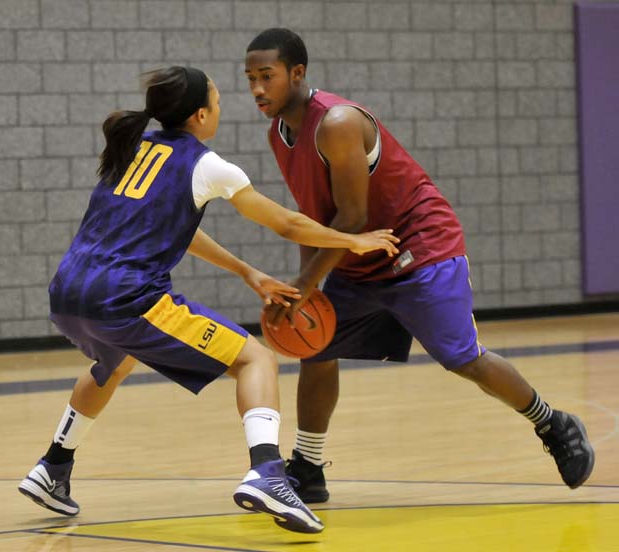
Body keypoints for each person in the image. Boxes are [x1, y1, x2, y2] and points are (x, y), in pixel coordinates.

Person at [17, 65, 401, 534]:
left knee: (114, 363)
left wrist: (247, 272)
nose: (220, 110)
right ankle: (268, 473)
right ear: (201, 115)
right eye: (218, 103)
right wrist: (352, 242)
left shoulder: (133, 148)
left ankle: (53, 467)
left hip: (68, 290)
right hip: (125, 296)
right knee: (256, 359)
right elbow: (287, 223)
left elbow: (180, 227)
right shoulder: (207, 164)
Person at [244, 28, 595, 503]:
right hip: (359, 254)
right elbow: (315, 219)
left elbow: (352, 216)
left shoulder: (338, 122)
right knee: (317, 347)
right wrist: (313, 289)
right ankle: (308, 467)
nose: (259, 89)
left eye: (267, 76)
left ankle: (552, 423)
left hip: (419, 248)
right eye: (251, 79)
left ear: (297, 73)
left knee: (463, 358)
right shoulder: (279, 134)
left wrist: (307, 282)